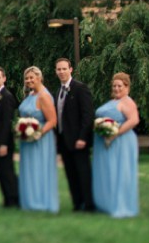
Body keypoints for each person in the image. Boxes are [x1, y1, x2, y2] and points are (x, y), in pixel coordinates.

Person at [92, 72, 140, 218]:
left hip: (121, 142)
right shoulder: (113, 101)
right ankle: (105, 203)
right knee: (107, 171)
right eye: (114, 86)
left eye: (119, 86)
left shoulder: (127, 102)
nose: (116, 88)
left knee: (119, 171)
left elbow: (133, 120)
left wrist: (114, 134)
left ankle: (120, 204)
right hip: (105, 142)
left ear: (127, 87)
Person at [54, 58, 95, 212]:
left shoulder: (80, 88)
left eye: (64, 68)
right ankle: (77, 203)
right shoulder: (58, 91)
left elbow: (87, 115)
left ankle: (89, 204)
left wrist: (83, 137)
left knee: (83, 174)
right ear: (56, 71)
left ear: (70, 69)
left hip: (78, 140)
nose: (61, 72)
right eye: (59, 69)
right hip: (64, 141)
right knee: (71, 174)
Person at [18, 66, 59, 213]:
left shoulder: (43, 96)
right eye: (27, 78)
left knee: (39, 169)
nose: (28, 81)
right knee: (29, 169)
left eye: (31, 78)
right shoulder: (30, 95)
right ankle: (30, 201)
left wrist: (37, 133)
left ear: (39, 78)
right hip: (27, 138)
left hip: (41, 140)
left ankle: (41, 201)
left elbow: (52, 120)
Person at [0, 65, 20, 208]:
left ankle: (14, 199)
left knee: (7, 172)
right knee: (0, 171)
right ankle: (7, 199)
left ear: (4, 78)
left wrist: (3, 144)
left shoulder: (6, 96)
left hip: (3, 142)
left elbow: (7, 122)